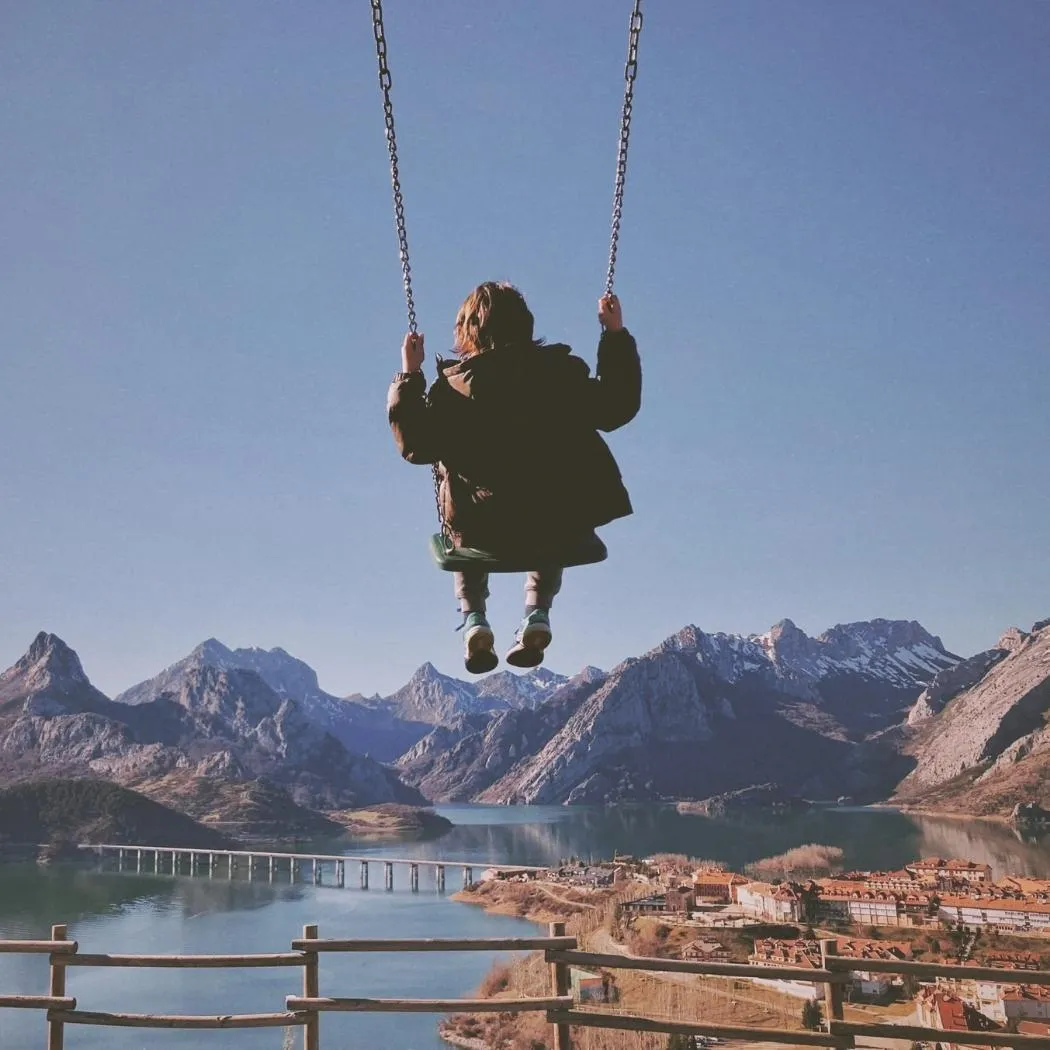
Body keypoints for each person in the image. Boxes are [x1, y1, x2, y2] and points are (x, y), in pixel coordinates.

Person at [387, 281, 641, 674]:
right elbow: (616, 405)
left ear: (467, 333)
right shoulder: (562, 377)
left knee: (465, 505)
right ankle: (538, 612)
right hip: (556, 527)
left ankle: (473, 618)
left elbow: (415, 446)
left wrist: (410, 375)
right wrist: (614, 335)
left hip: (480, 531)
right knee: (552, 503)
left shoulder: (451, 391)